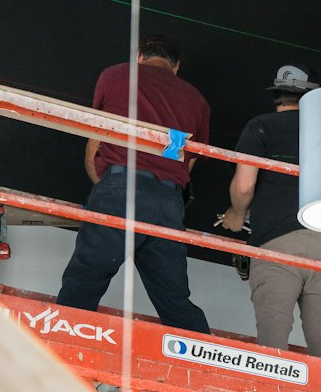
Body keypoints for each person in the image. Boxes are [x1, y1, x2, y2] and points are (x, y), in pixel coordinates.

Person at [57, 33, 211, 331]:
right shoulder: (197, 100)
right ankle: (205, 367)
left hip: (120, 186)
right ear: (176, 66)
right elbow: (189, 162)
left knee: (86, 277)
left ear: (139, 56)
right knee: (174, 299)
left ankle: (61, 359)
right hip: (168, 202)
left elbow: (97, 139)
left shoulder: (116, 76)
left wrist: (106, 186)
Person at [219, 65, 321, 360]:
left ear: (276, 95)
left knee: (272, 343)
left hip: (277, 247)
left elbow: (244, 185)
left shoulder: (261, 126)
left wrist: (236, 215)